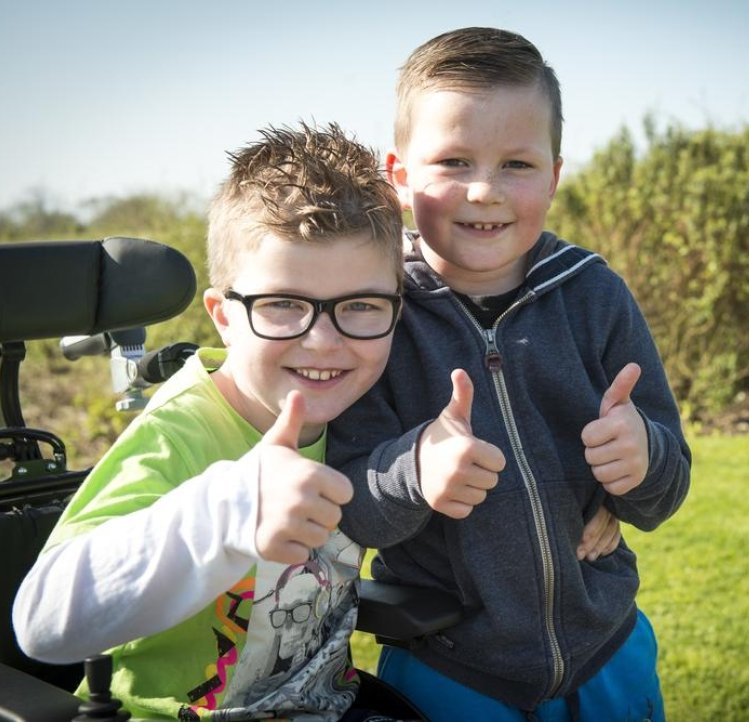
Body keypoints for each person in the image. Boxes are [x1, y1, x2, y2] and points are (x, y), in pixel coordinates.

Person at [326, 27, 692, 722]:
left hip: (607, 651)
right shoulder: (373, 313)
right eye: (454, 161)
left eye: (517, 165)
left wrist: (641, 460)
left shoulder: (593, 292)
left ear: (555, 174)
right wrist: (415, 470)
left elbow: (668, 485)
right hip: (449, 669)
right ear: (399, 177)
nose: (485, 191)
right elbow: (352, 504)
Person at [14, 123, 407, 721]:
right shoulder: (182, 434)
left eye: (360, 305)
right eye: (282, 304)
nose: (324, 341)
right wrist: (230, 510)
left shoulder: (361, 415)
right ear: (224, 317)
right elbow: (42, 622)